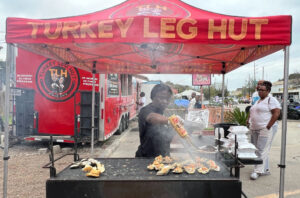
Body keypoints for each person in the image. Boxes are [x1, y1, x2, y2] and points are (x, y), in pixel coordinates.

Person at [247, 81, 281, 180]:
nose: (259, 92)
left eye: (262, 90)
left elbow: (276, 113)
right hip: (255, 128)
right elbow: (252, 111)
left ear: (268, 91)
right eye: (258, 90)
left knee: (262, 149)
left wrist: (268, 127)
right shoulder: (258, 101)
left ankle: (257, 171)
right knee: (256, 149)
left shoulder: (271, 99)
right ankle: (264, 169)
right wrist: (248, 120)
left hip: (264, 129)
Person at [135, 84, 176, 157]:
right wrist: (171, 121)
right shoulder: (145, 110)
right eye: (161, 98)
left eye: (168, 99)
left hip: (164, 157)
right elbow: (152, 117)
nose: (165, 101)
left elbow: (169, 136)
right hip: (145, 158)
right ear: (153, 97)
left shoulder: (167, 113)